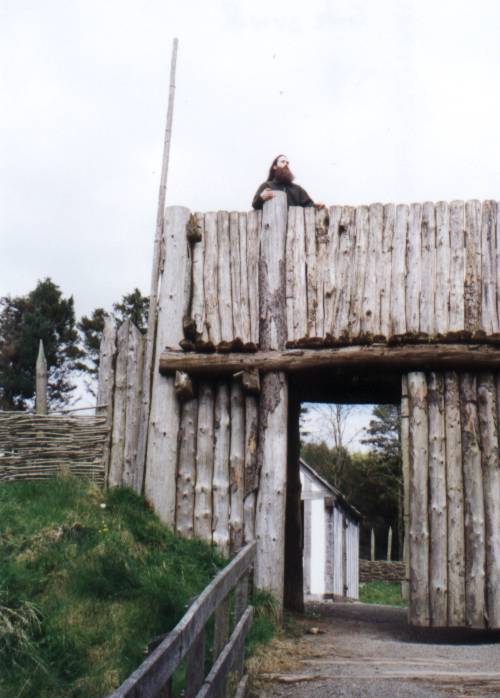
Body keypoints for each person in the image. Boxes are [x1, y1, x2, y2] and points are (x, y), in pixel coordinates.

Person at [252, 154, 324, 210]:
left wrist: (315, 205)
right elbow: (255, 205)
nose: (286, 164)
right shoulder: (266, 186)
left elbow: (309, 205)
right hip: (273, 227)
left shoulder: (297, 189)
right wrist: (261, 198)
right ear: (275, 167)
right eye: (282, 162)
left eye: (287, 163)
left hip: (294, 226)